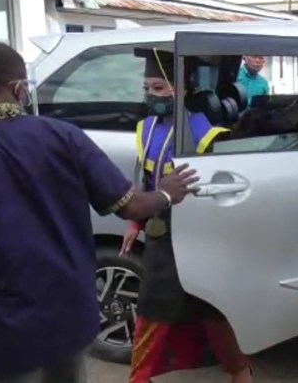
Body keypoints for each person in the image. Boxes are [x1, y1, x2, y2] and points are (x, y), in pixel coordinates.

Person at [0, 42, 199, 383]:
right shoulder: (66, 137)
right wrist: (165, 192)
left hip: (5, 337)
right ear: (19, 89)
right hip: (72, 321)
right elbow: (131, 206)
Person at [121, 49, 254, 383]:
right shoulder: (145, 128)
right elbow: (146, 181)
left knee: (210, 307)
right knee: (152, 310)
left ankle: (240, 371)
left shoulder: (207, 134)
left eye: (159, 89)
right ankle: (139, 378)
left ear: (181, 88)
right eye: (147, 89)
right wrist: (135, 222)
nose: (151, 97)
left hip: (199, 235)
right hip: (160, 236)